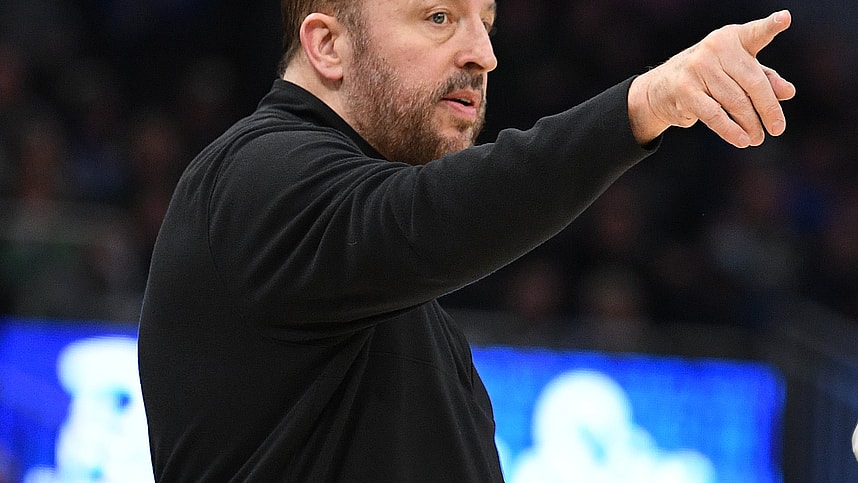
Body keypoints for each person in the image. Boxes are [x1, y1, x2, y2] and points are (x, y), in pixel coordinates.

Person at [137, 1, 795, 481]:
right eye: (440, 18)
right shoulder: (254, 175)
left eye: (488, 22)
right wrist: (643, 103)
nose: (484, 52)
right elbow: (434, 214)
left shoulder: (381, 297)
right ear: (328, 46)